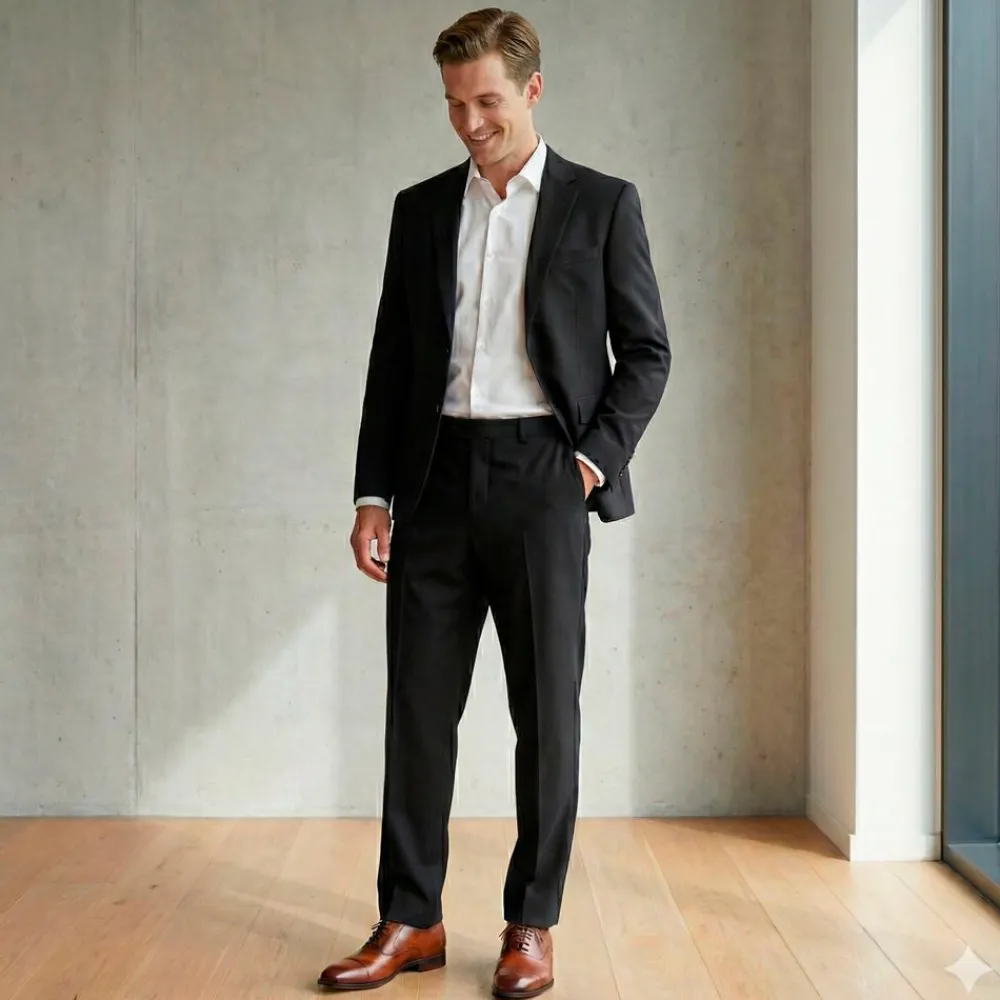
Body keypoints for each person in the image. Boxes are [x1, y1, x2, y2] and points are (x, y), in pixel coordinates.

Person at [318, 7, 671, 997]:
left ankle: (531, 922)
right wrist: (372, 493)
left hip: (542, 476)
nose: (469, 122)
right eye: (453, 104)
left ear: (532, 90)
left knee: (545, 716)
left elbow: (647, 352)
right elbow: (392, 361)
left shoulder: (602, 205)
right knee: (416, 712)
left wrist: (588, 463)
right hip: (432, 480)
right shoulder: (422, 209)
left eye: (486, 101)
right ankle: (411, 917)